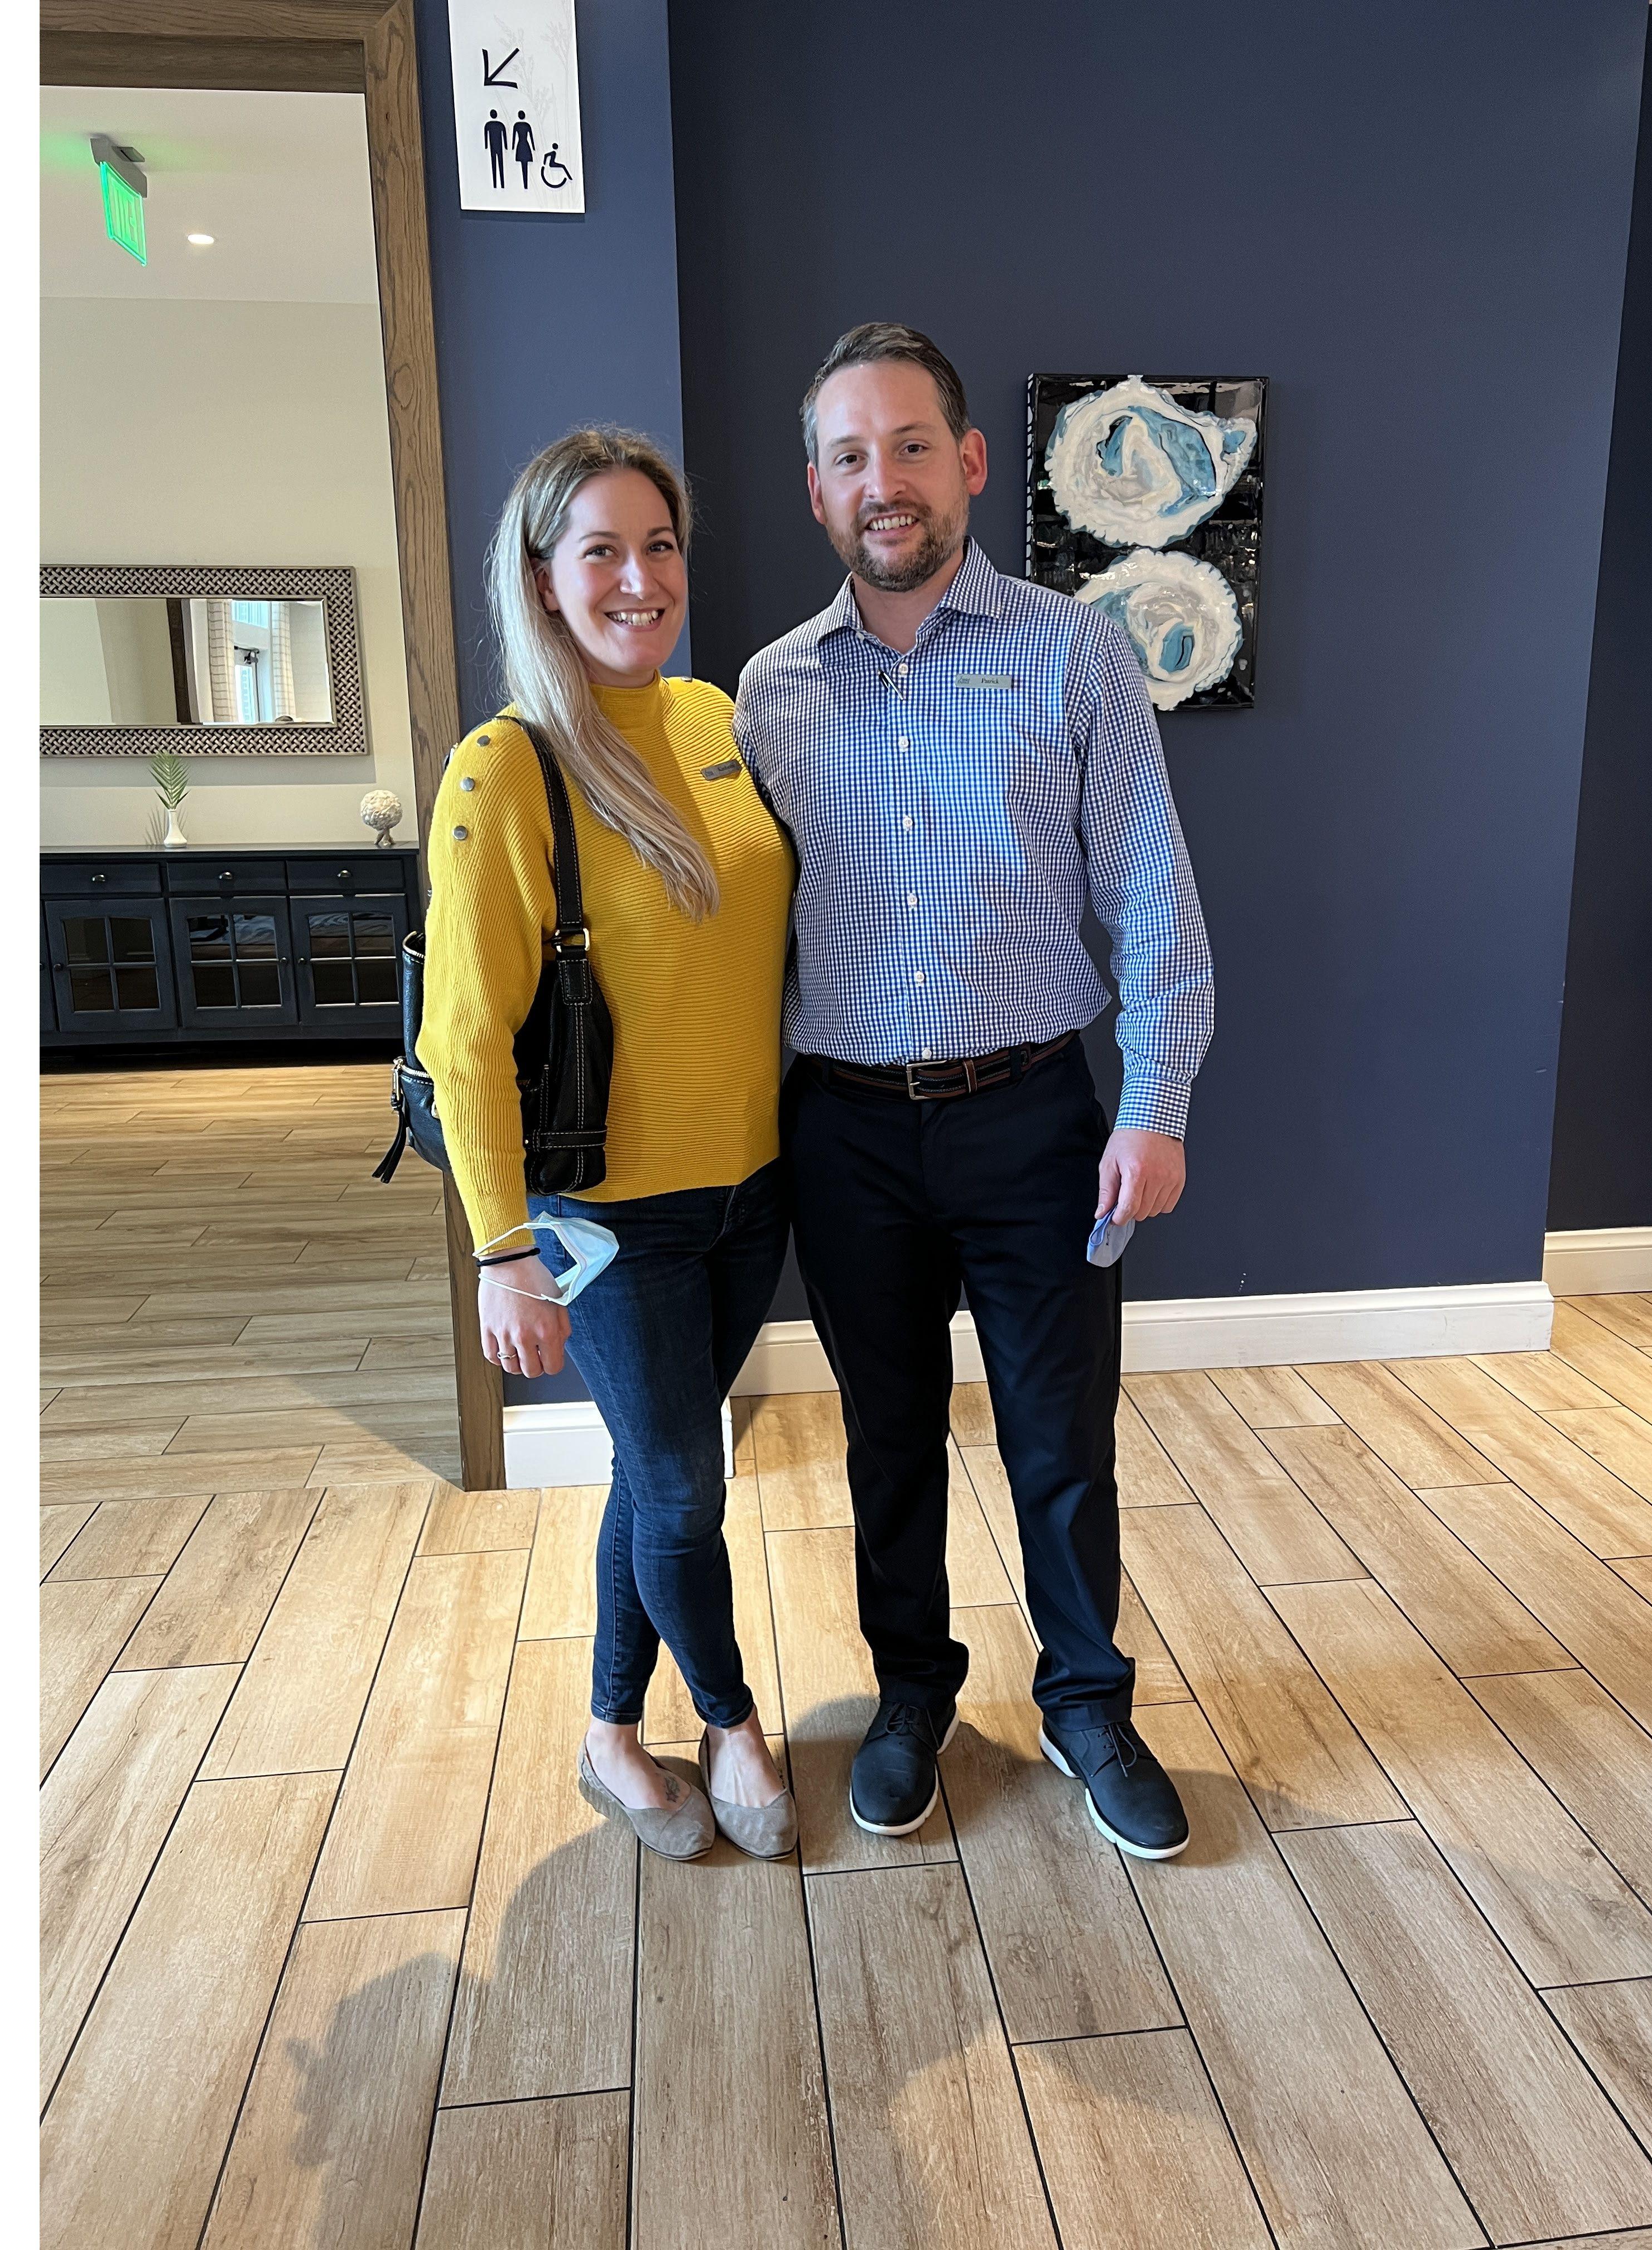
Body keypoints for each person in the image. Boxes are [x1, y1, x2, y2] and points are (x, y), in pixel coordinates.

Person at [735, 324, 1214, 1860]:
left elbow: (1152, 893)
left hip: (1033, 1120)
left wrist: (1156, 1101)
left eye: (911, 446)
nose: (884, 480)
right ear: (818, 490)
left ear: (972, 464)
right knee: (887, 1442)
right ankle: (911, 1696)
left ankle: (1086, 1704)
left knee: (1060, 1440)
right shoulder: (767, 695)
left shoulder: (1074, 654)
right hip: (847, 1133)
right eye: (850, 456)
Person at [420, 427, 798, 1861]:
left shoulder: (712, 720)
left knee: (654, 1476)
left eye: (660, 545)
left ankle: (607, 1734)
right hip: (608, 1222)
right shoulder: (504, 767)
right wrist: (501, 1249)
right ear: (543, 578)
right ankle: (734, 1723)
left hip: (753, 1189)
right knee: (689, 1489)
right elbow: (464, 1040)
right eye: (602, 551)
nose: (641, 578)